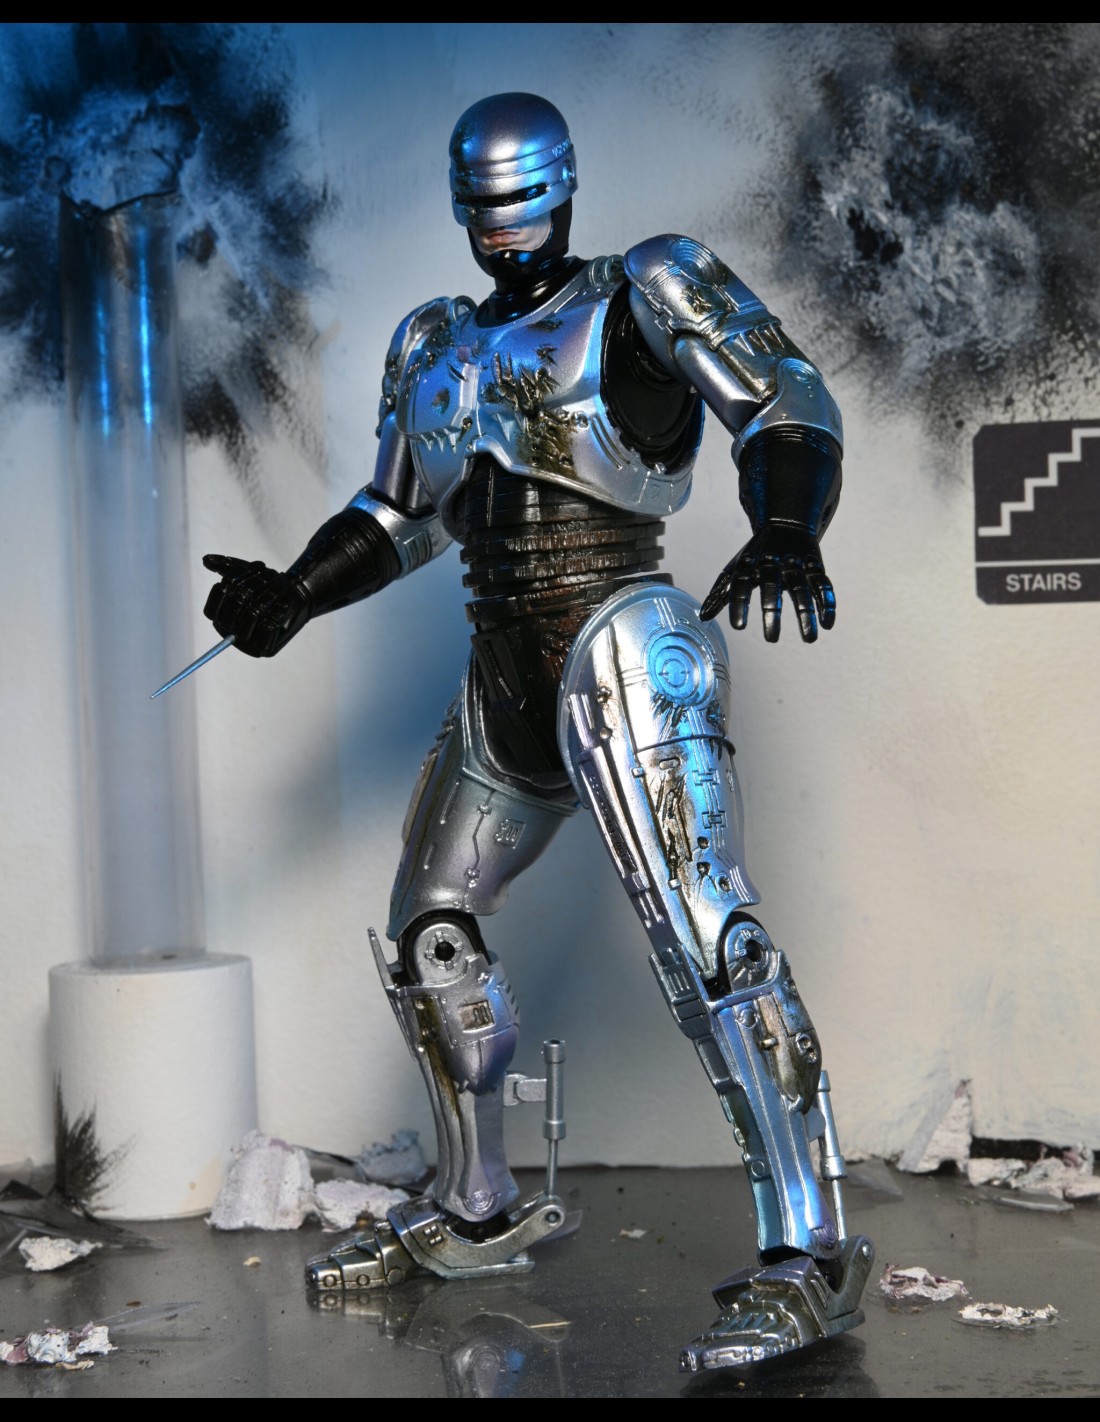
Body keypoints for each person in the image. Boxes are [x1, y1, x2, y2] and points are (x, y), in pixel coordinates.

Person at [202, 92, 873, 1371]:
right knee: (430, 929)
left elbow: (783, 401)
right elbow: (401, 513)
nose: (504, 230)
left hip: (621, 635)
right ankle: (474, 1205)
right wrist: (292, 591)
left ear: (560, 187)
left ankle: (812, 1250)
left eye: (520, 203)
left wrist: (786, 522)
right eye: (485, 209)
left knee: (707, 938)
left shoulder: (643, 290)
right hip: (502, 667)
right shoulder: (433, 344)